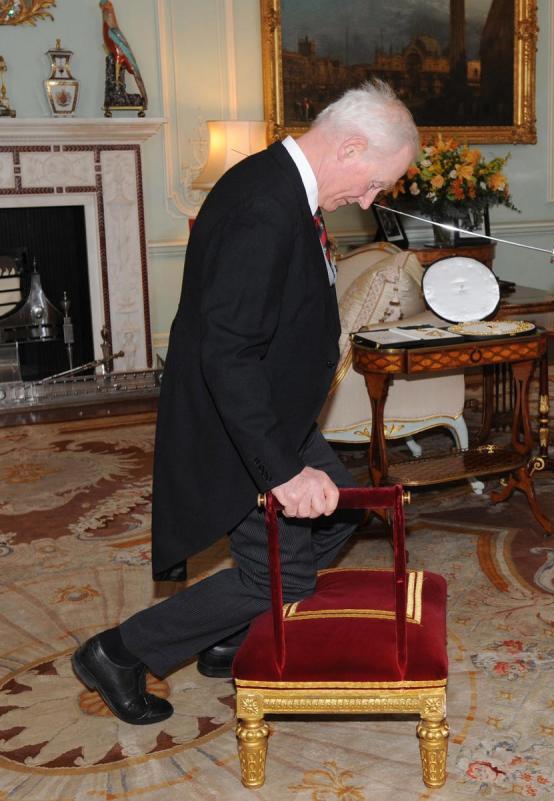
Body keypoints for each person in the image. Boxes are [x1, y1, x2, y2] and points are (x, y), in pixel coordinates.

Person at [71, 80, 419, 725]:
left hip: (273, 411)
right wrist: (283, 473)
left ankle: (229, 633)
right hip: (242, 421)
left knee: (340, 514)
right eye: (373, 183)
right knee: (272, 574)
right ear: (348, 147)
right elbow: (228, 352)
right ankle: (118, 653)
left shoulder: (278, 183)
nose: (369, 200)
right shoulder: (266, 203)